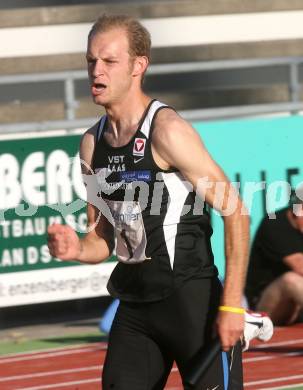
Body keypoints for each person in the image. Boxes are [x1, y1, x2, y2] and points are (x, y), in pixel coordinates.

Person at [47, 14, 250, 389]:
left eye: (109, 61)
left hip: (191, 302)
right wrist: (76, 247)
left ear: (139, 66)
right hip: (136, 307)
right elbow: (102, 239)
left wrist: (233, 304)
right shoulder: (92, 144)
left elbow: (235, 210)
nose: (96, 71)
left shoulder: (167, 131)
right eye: (91, 60)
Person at [245, 189, 303, 325]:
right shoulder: (274, 224)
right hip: (266, 306)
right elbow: (300, 267)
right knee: (291, 280)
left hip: (297, 306)